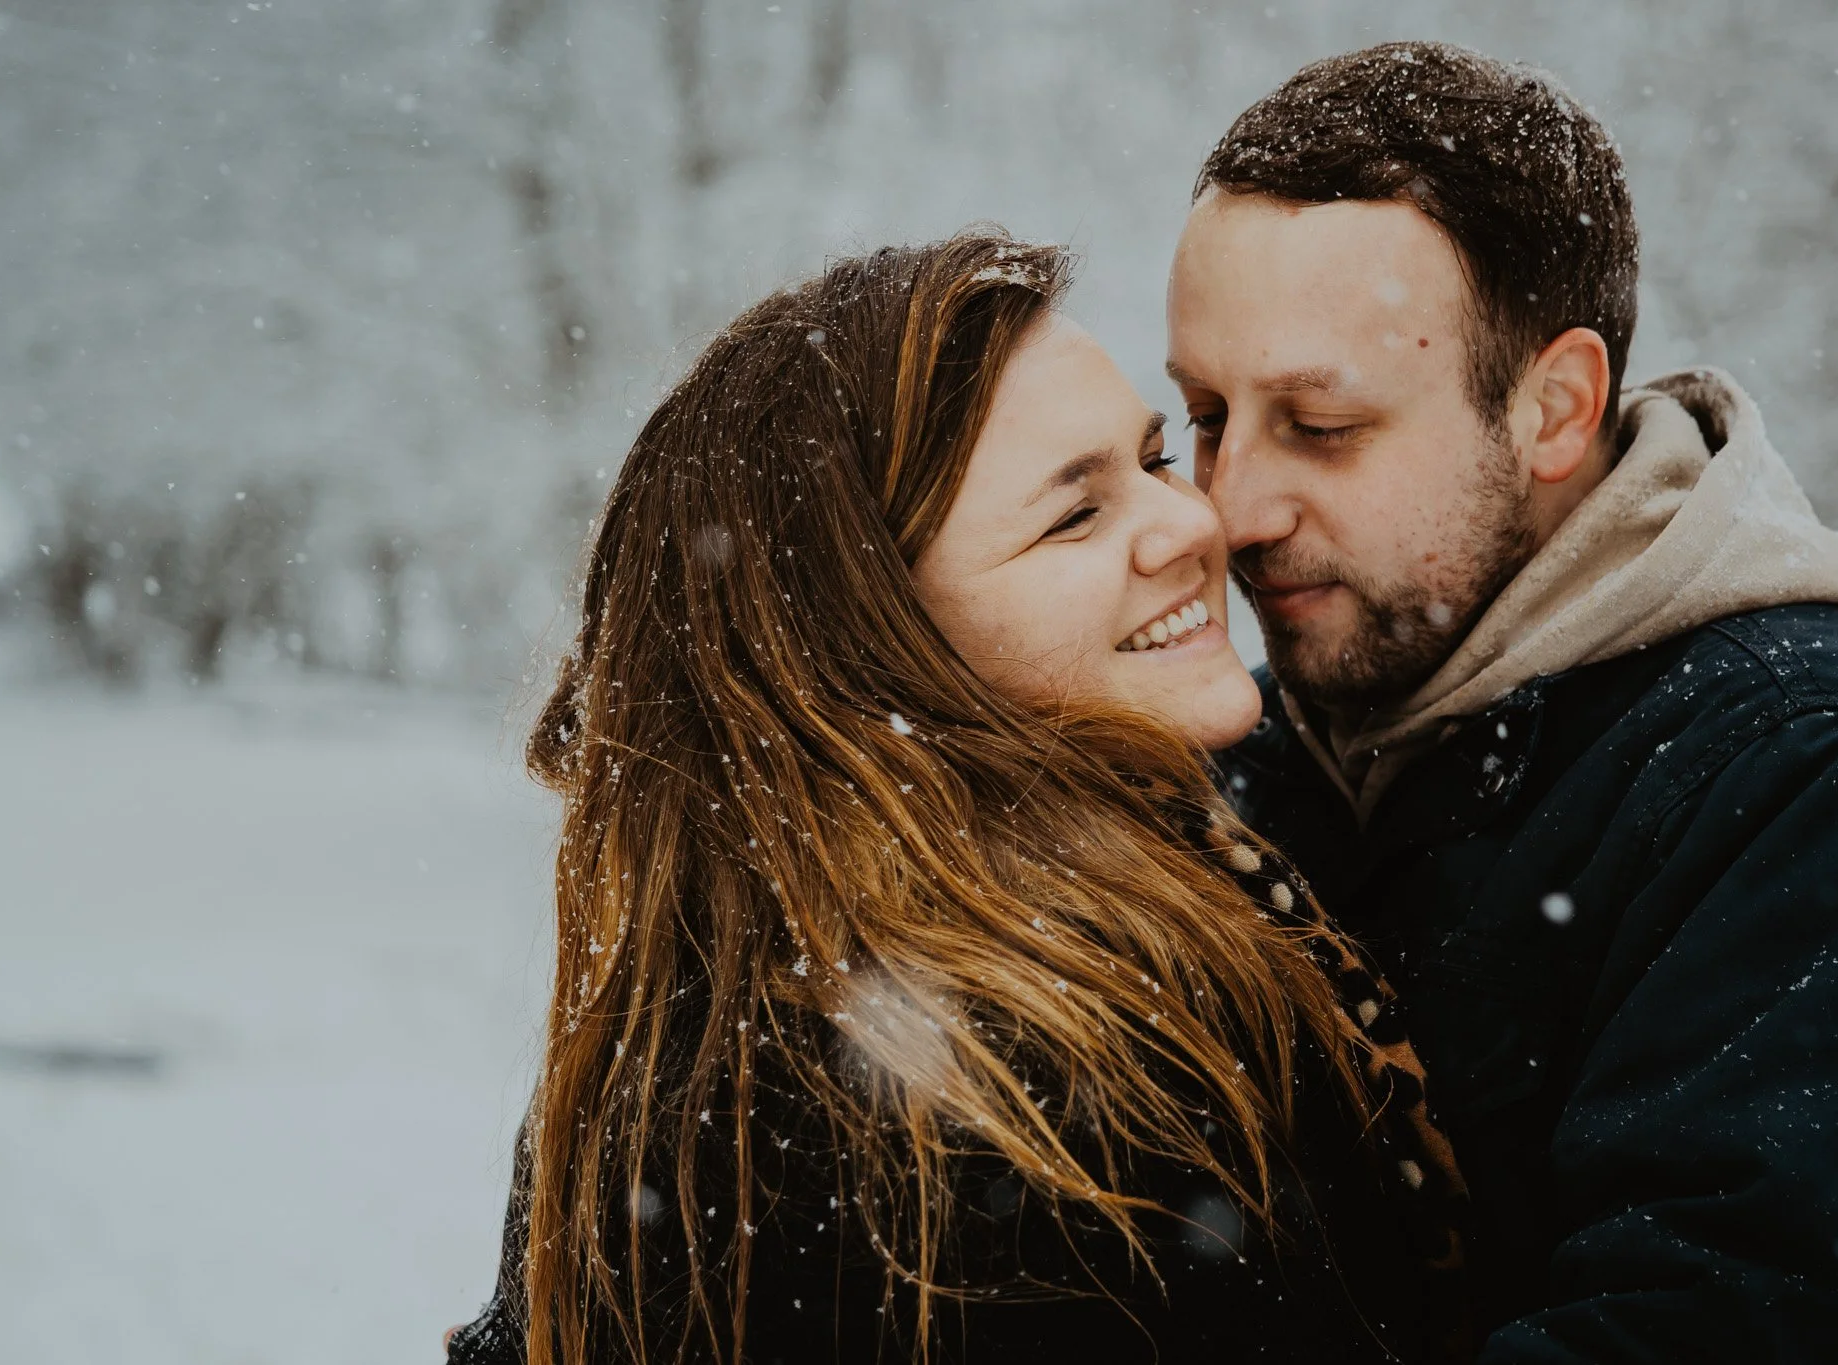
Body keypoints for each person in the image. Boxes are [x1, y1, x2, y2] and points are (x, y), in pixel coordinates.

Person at [445, 232, 1467, 1364]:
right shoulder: (977, 1115)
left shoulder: (753, 1003)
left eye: (1154, 461)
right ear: (871, 651)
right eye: (1074, 516)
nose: (1193, 524)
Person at [1168, 41, 1838, 1363]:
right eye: (1203, 417)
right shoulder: (1245, 758)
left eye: (1324, 425)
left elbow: (1720, 1324)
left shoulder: (1821, 772)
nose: (1229, 507)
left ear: (1554, 408)